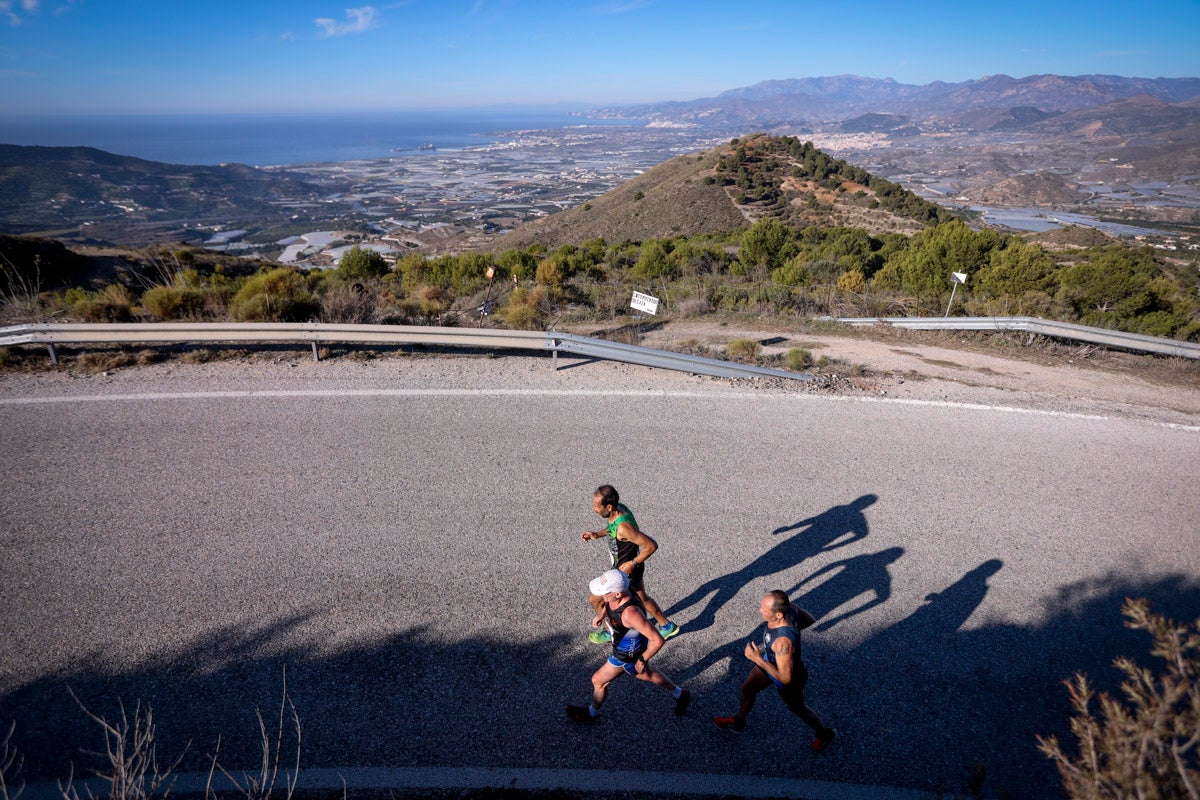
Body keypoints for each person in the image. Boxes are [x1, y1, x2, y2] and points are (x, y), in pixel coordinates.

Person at [712, 590, 837, 752]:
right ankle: (738, 723)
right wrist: (795, 631)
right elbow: (810, 619)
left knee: (798, 708)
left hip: (788, 674)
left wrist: (757, 659)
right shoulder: (791, 608)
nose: (760, 611)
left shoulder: (783, 643)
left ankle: (825, 733)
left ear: (778, 615)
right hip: (771, 660)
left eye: (764, 610)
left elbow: (785, 679)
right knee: (748, 688)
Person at [566, 569, 691, 721]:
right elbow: (609, 603)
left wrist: (642, 660)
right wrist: (602, 615)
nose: (601, 596)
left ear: (618, 594)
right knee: (647, 674)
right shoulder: (625, 587)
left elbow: (658, 640)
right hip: (631, 645)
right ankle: (680, 694)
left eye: (605, 592)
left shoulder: (630, 614)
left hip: (627, 654)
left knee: (598, 680)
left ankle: (591, 713)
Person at [580, 484, 679, 643]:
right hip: (628, 567)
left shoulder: (624, 527)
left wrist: (632, 563)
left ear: (609, 506)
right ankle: (667, 626)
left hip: (626, 571)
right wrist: (597, 534)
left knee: (596, 599)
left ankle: (611, 632)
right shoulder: (619, 510)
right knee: (643, 599)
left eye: (596, 506)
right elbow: (611, 527)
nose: (594, 509)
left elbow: (651, 546)